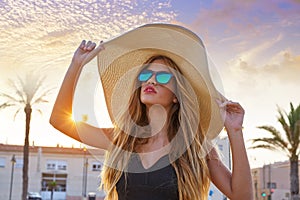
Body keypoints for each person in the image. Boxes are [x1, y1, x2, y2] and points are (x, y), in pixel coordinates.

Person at [50, 23, 253, 200]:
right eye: (146, 74)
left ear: (176, 95)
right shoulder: (122, 140)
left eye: (163, 77)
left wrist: (235, 131)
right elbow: (59, 119)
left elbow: (241, 196)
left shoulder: (195, 148)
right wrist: (76, 66)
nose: (151, 80)